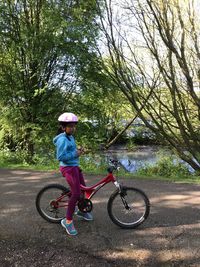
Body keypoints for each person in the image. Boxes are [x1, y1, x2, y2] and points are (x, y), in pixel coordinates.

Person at [53, 112, 93, 236]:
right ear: (63, 127)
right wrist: (75, 154)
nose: (73, 128)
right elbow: (60, 157)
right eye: (70, 126)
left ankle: (81, 210)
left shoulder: (70, 137)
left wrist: (78, 151)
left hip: (74, 166)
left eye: (74, 126)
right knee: (76, 193)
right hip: (67, 169)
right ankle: (68, 221)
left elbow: (71, 152)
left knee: (84, 190)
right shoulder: (62, 139)